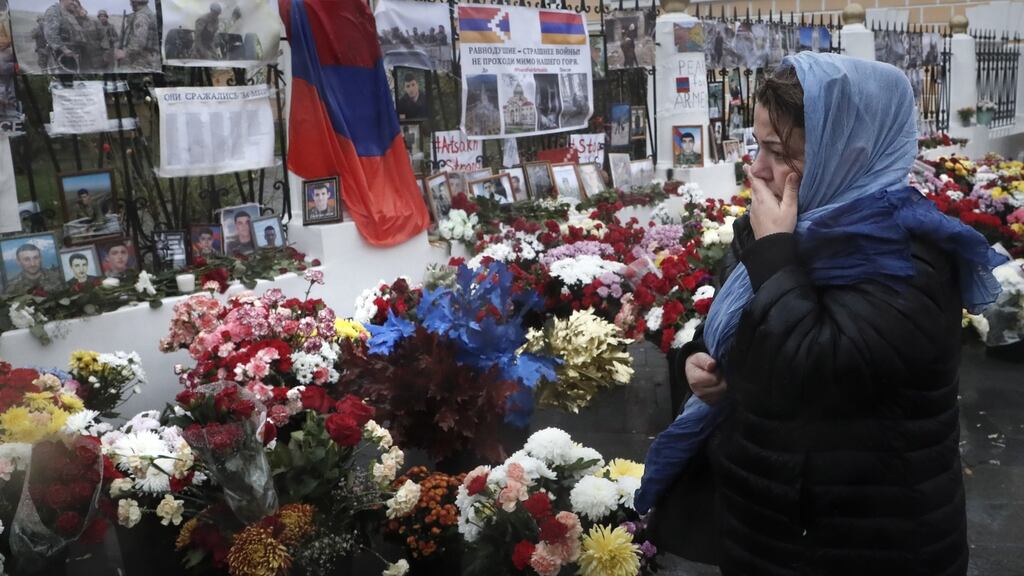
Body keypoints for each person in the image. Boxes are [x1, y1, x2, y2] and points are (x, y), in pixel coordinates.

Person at [636, 52, 1006, 575]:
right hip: (772, 528)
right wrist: (702, 363)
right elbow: (745, 333)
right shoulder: (799, 226)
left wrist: (774, 255)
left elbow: (814, 371)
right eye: (758, 145)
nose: (759, 169)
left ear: (846, 150)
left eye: (780, 151)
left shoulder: (907, 256)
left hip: (865, 545)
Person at [42, 0, 85, 71]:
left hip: (73, 53)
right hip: (63, 54)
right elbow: (50, 33)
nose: (74, 3)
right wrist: (64, 49)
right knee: (66, 77)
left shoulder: (70, 13)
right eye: (72, 0)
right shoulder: (54, 11)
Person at [118, 0, 159, 71]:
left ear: (135, 2)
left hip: (140, 60)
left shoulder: (141, 16)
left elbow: (138, 43)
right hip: (146, 58)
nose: (130, 4)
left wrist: (124, 53)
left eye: (131, 2)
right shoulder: (146, 13)